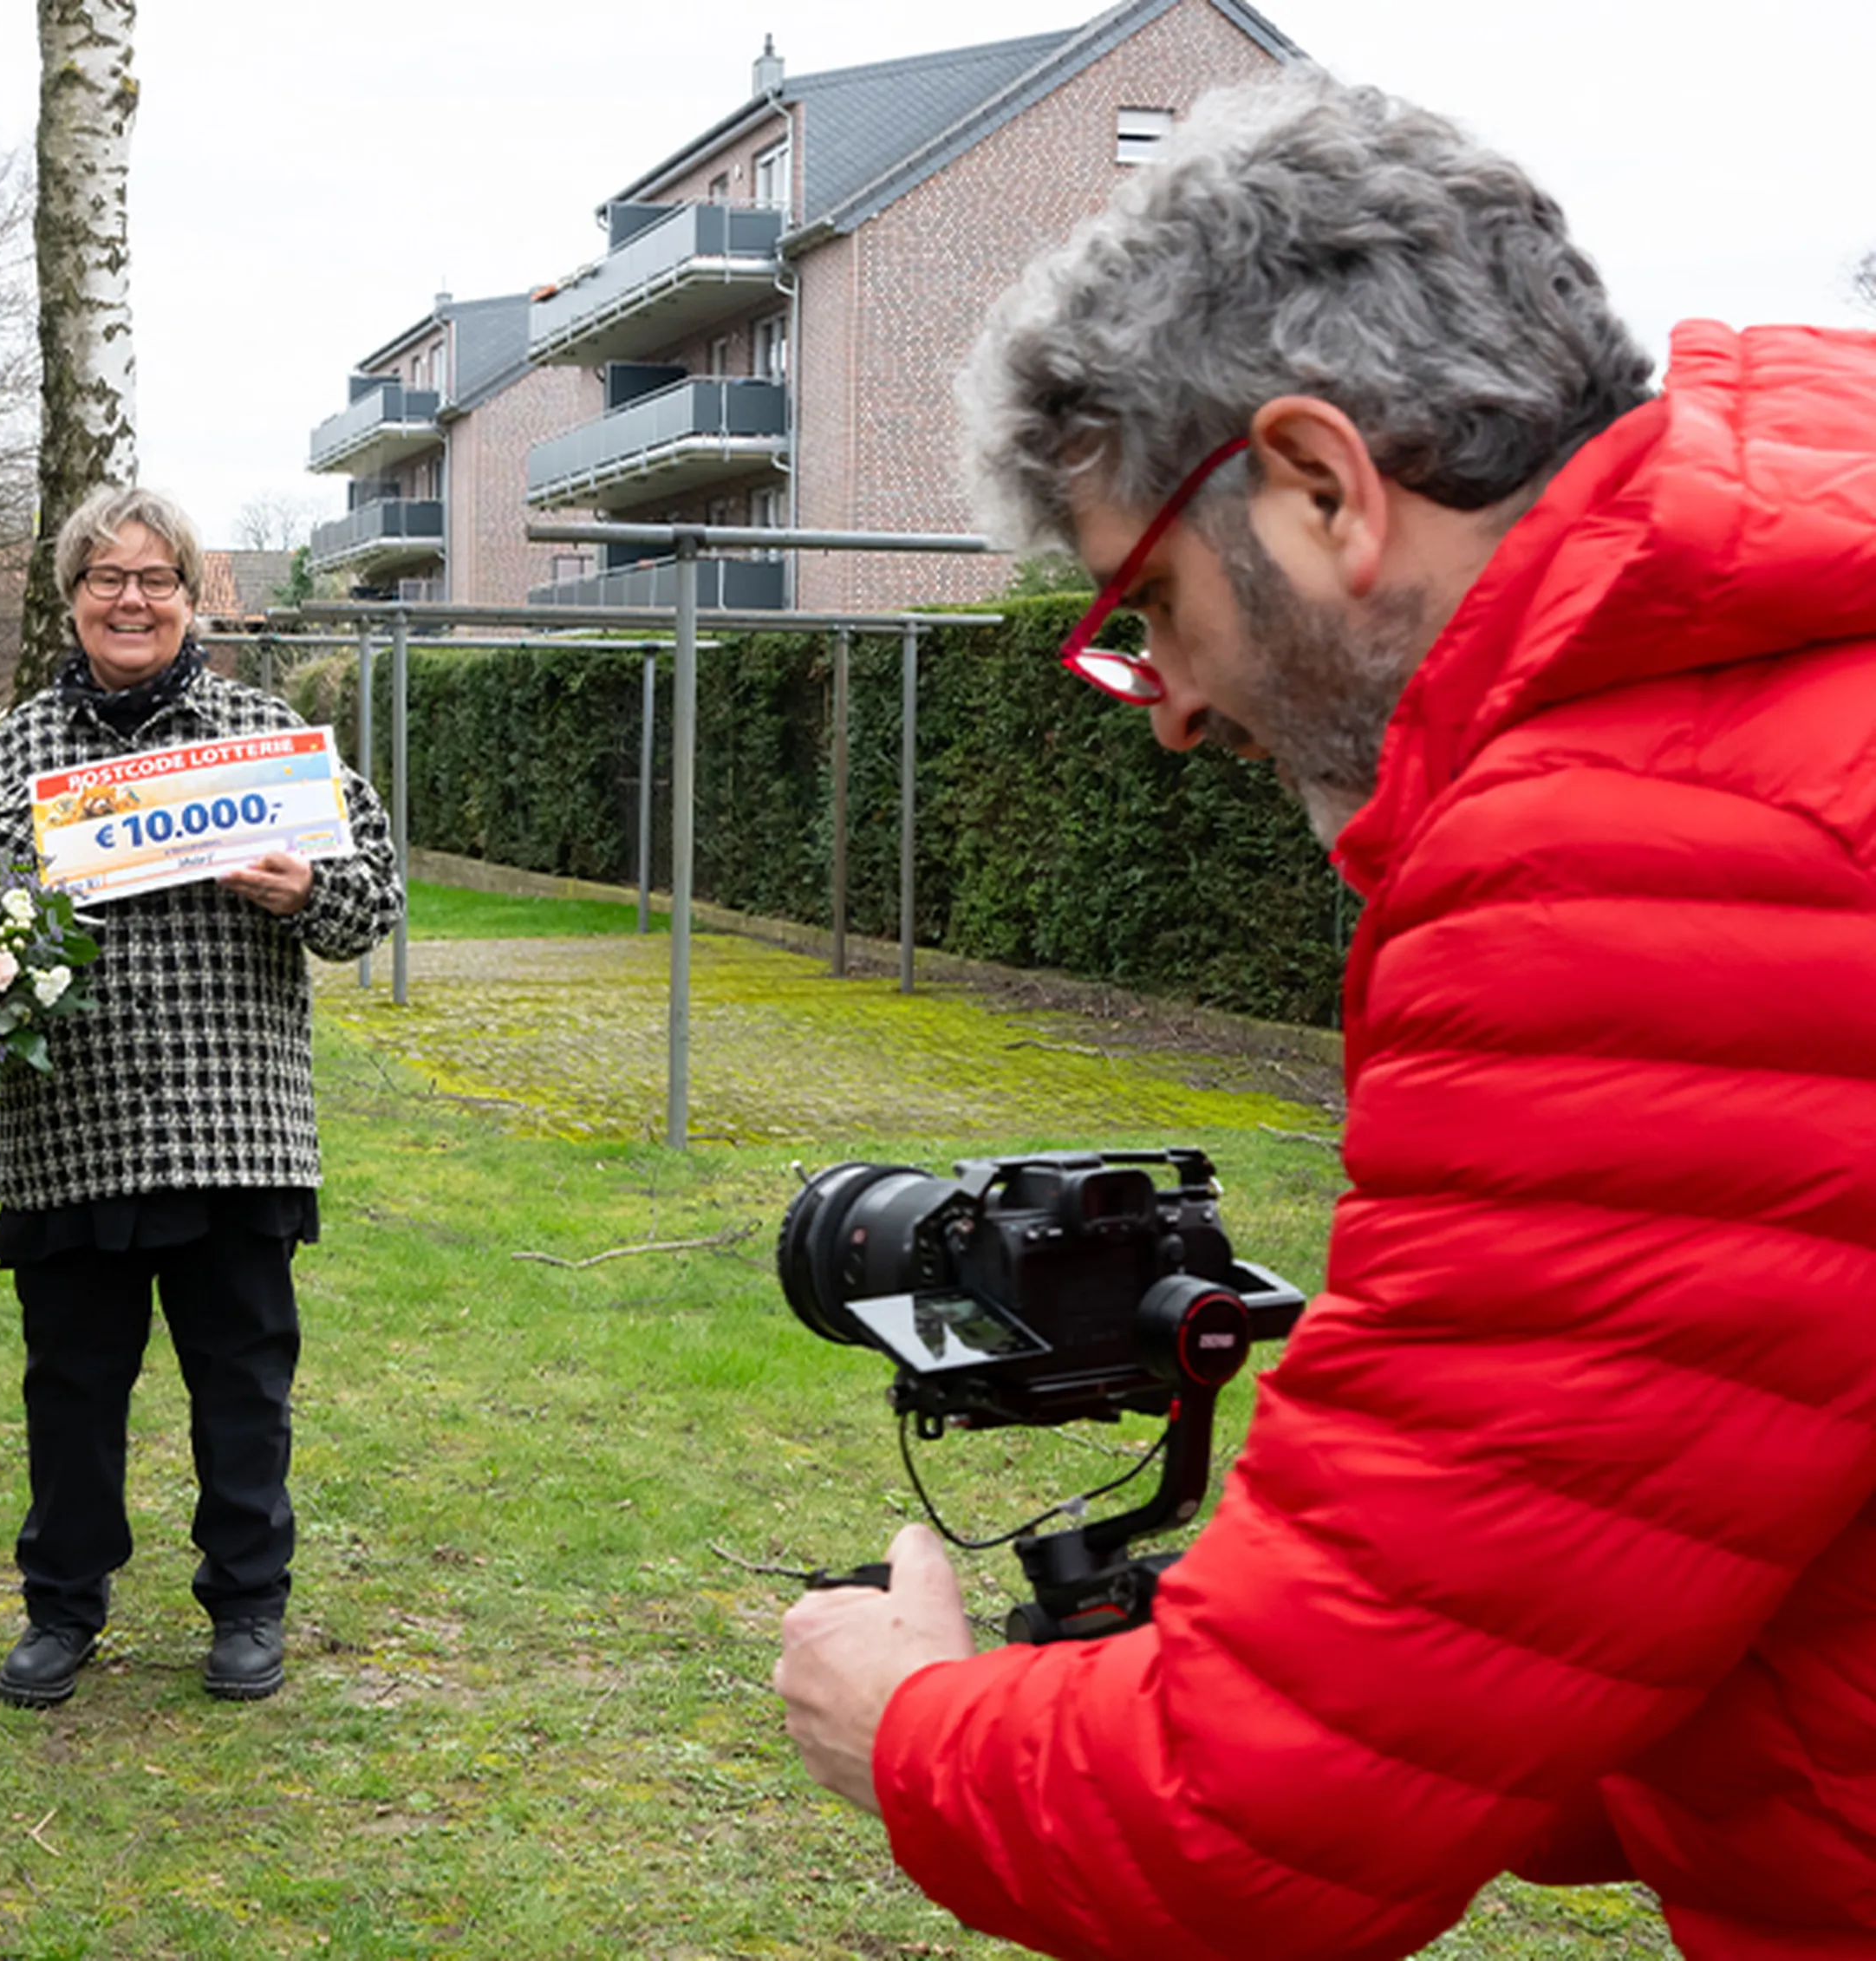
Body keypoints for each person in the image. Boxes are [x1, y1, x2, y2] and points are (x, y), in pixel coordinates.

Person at [772, 73, 1876, 1958]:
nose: (1172, 704)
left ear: (1318, 484)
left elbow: (1255, 1827)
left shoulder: (1635, 850)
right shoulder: (1796, 690)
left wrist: (911, 1719)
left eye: (1154, 605)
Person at [0, 485, 400, 1710]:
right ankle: (61, 1608)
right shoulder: (17, 748)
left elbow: (373, 904)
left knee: (242, 1386)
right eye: (107, 579)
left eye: (156, 580)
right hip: (71, 1128)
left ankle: (248, 1605)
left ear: (193, 597)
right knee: (71, 1391)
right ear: (73, 597)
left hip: (233, 1124)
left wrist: (306, 893)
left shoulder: (266, 737)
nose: (130, 600)